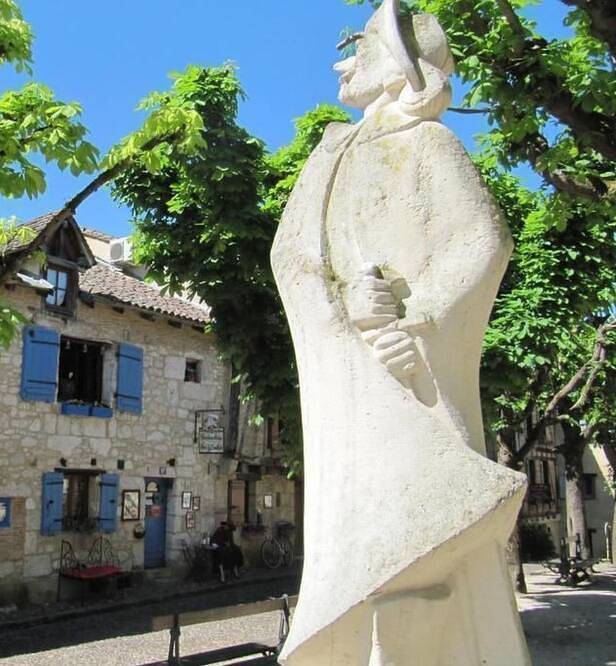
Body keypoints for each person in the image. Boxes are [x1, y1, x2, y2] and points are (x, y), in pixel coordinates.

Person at [270, 1, 530, 663]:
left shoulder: (430, 144)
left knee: (422, 537)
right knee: (363, 534)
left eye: (356, 49)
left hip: (409, 366)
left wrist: (421, 319)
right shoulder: (329, 156)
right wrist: (343, 301)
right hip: (348, 384)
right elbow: (290, 254)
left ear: (392, 67)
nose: (340, 62)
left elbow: (482, 241)